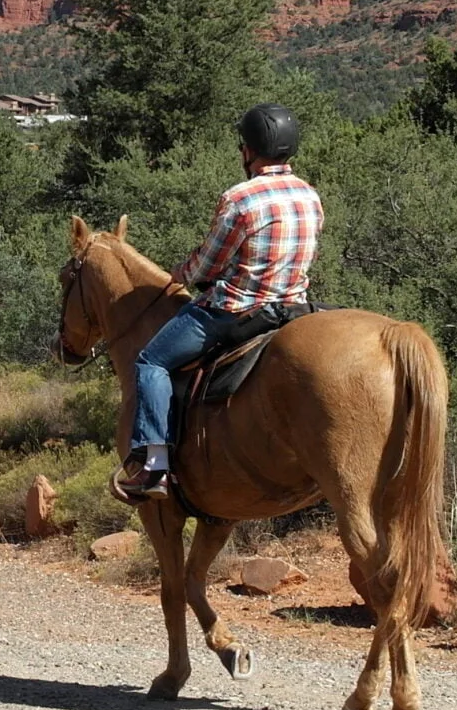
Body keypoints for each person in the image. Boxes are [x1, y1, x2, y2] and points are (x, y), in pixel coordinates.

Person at [112, 103, 323, 505]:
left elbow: (207, 264)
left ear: (249, 150)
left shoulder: (240, 198)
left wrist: (181, 272)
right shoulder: (309, 195)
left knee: (151, 362)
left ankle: (155, 466)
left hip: (235, 311)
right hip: (293, 308)